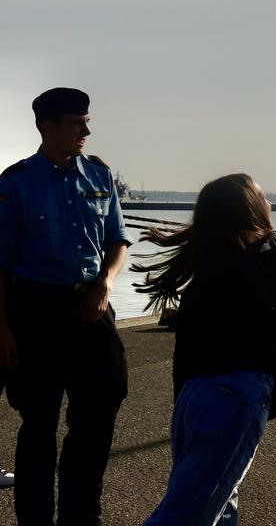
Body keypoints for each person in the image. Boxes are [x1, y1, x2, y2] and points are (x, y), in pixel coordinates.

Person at [133, 173, 276, 525]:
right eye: (264, 198)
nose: (271, 204)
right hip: (236, 396)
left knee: (219, 503)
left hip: (193, 396)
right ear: (251, 209)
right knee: (188, 514)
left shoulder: (208, 257)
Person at [0, 87, 132, 525]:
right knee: (38, 427)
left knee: (96, 423)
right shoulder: (15, 184)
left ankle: (81, 519)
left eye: (86, 121)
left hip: (92, 307)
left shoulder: (99, 176)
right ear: (47, 126)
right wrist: (2, 330)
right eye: (78, 123)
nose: (86, 130)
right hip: (36, 313)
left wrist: (107, 285)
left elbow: (117, 240)